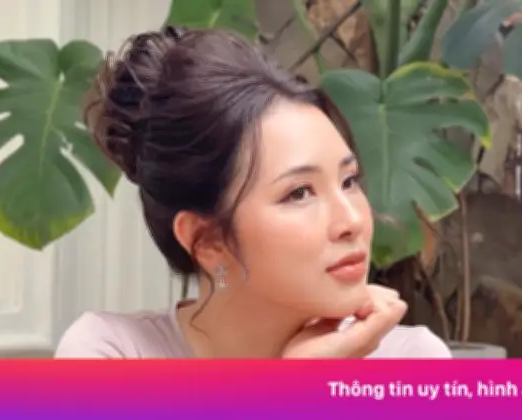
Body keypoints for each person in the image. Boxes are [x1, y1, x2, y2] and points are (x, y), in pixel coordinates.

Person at [54, 26, 452, 359]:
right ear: (207, 240)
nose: (352, 221)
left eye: (349, 181)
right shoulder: (112, 354)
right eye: (299, 193)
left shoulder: (411, 362)